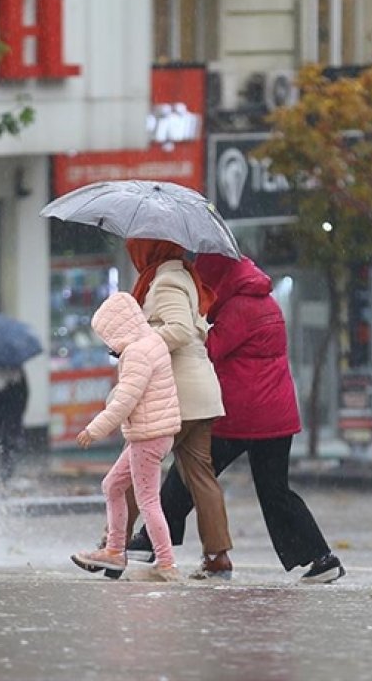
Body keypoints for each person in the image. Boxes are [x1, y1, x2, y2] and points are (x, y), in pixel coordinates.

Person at [126, 254, 346, 583]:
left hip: (242, 415)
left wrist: (186, 326)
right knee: (276, 492)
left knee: (190, 471)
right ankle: (321, 558)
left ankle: (148, 543)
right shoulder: (265, 303)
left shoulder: (239, 309)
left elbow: (209, 350)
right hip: (277, 417)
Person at [122, 238, 233, 579]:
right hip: (201, 393)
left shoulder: (166, 280)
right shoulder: (187, 276)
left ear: (150, 248)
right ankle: (217, 557)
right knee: (201, 476)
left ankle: (114, 544)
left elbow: (181, 331)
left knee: (131, 469)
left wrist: (138, 345)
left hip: (176, 393)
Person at [70, 293, 182, 582]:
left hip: (147, 436)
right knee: (112, 485)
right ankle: (115, 551)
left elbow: (124, 401)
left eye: (107, 336)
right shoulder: (152, 341)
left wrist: (93, 430)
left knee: (147, 501)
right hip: (156, 433)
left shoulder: (136, 353)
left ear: (117, 329)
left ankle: (166, 563)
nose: (108, 344)